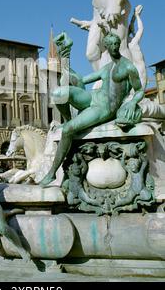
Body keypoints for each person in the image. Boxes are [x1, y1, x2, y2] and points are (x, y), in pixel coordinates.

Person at [40, 31, 144, 186]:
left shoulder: (128, 67)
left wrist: (132, 102)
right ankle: (68, 118)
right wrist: (66, 57)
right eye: (111, 45)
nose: (115, 47)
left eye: (117, 44)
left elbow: (140, 90)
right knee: (58, 93)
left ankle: (52, 173)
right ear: (107, 47)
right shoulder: (106, 68)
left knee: (68, 129)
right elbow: (80, 81)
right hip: (93, 97)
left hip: (105, 107)